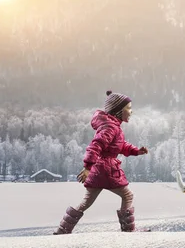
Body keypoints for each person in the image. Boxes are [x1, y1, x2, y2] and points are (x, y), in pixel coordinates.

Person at [53, 90, 149, 234]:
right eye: (128, 108)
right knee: (127, 195)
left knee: (86, 202)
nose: (131, 112)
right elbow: (95, 145)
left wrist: (136, 151)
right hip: (106, 169)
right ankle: (128, 230)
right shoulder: (111, 127)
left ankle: (63, 229)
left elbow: (119, 145)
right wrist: (87, 167)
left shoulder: (112, 126)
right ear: (118, 111)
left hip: (97, 170)